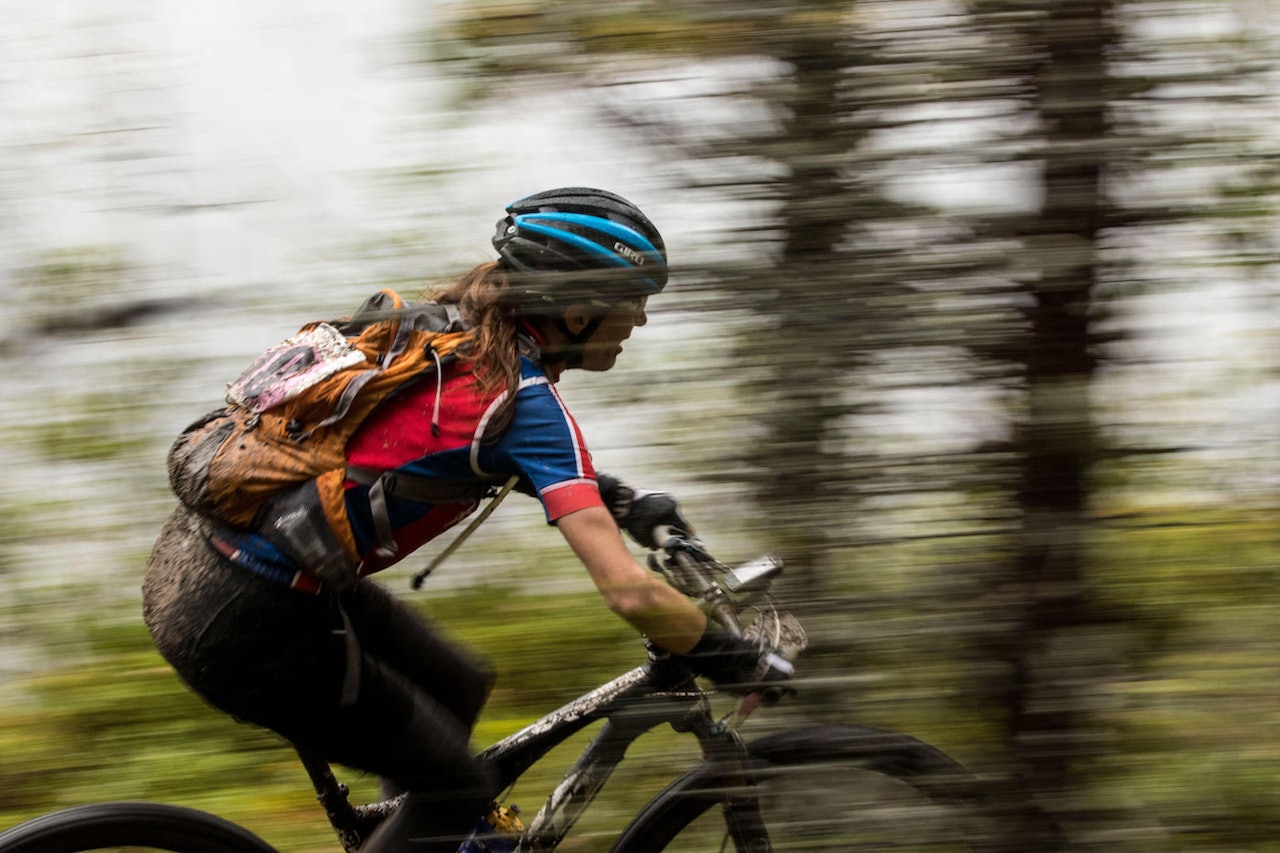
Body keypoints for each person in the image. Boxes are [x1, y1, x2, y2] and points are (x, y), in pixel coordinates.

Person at [142, 187, 794, 852]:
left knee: (456, 685)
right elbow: (628, 590)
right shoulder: (527, 403)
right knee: (459, 787)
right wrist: (732, 657)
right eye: (633, 302)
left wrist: (624, 503)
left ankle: (411, 838)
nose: (641, 321)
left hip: (203, 560)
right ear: (576, 311)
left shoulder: (448, 331)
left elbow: (426, 450)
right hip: (250, 622)